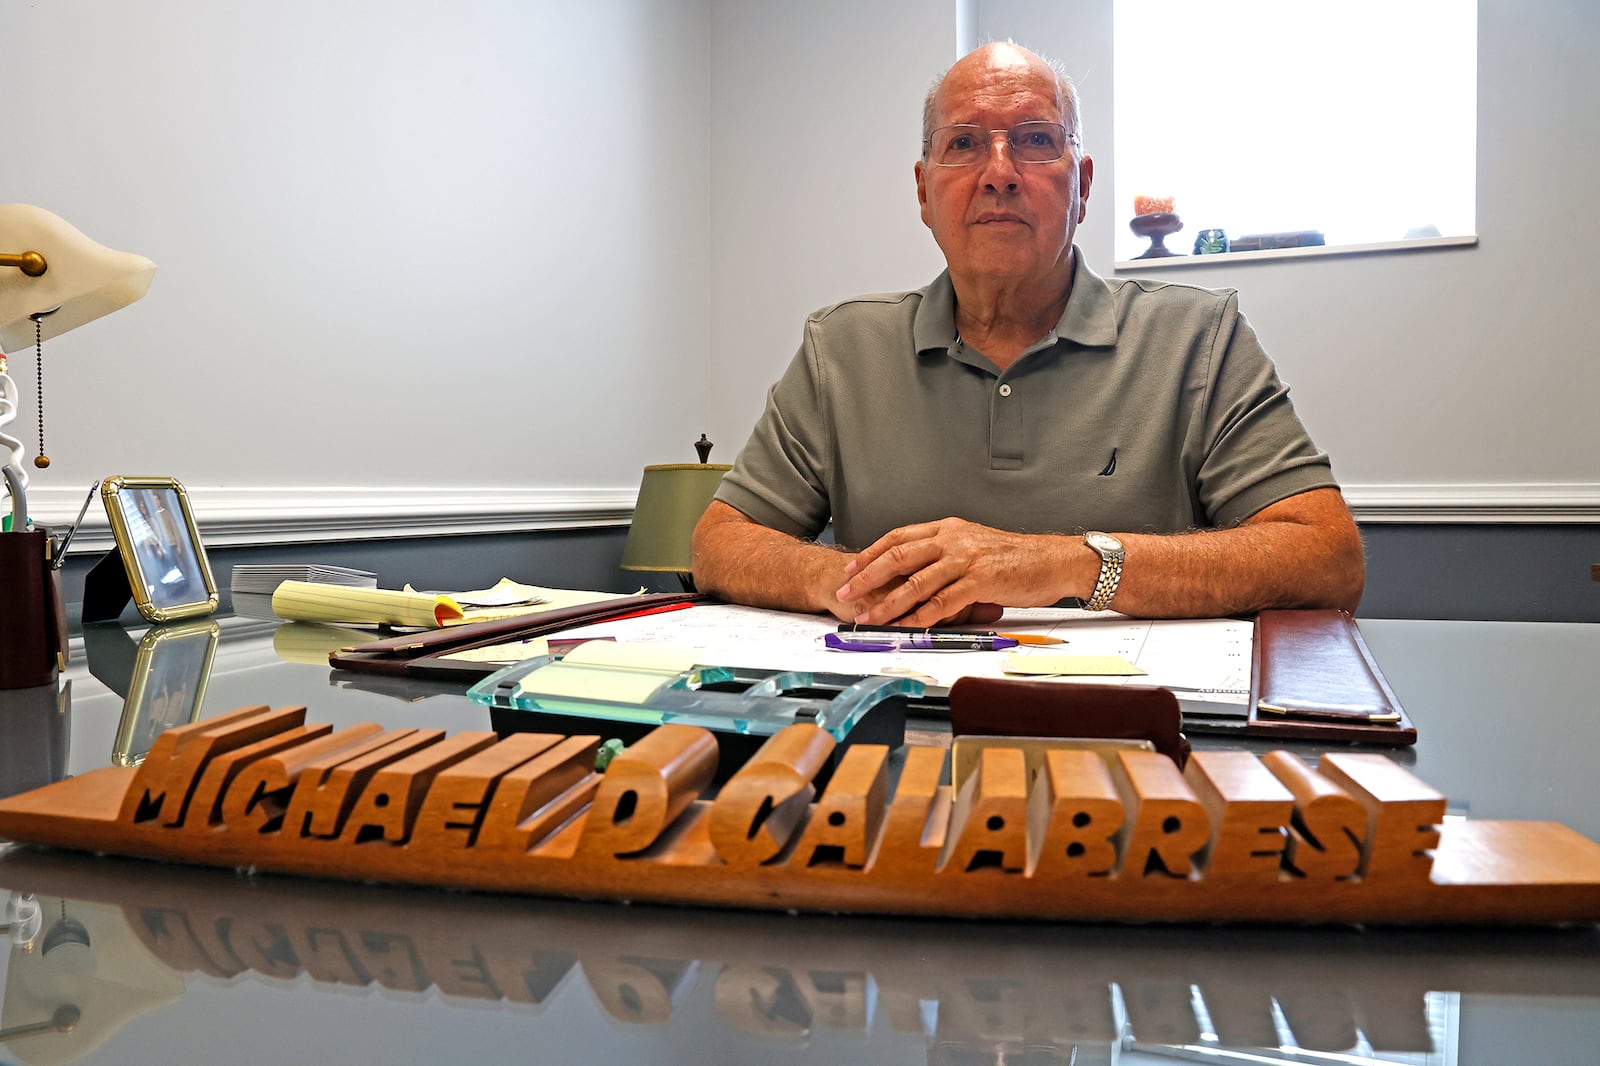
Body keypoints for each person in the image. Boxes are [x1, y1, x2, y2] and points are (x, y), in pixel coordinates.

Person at [691, 42, 1363, 627]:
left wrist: (1060, 564)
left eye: (1036, 139)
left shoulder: (1199, 337)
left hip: (1136, 731)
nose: (1000, 171)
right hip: (902, 717)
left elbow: (1327, 557)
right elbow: (719, 542)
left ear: (1082, 184)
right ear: (924, 193)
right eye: (965, 143)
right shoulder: (841, 349)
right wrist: (848, 585)